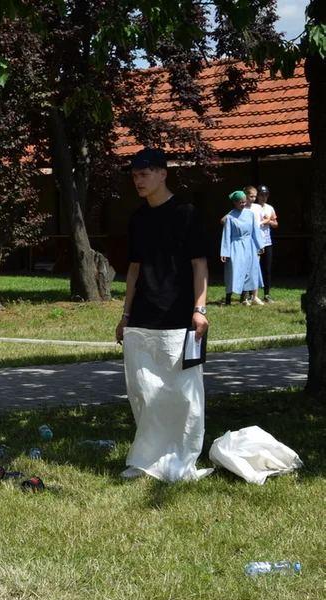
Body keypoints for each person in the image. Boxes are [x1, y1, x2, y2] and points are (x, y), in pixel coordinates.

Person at [116, 148, 211, 482]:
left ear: (162, 174)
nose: (138, 181)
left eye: (144, 174)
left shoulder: (186, 213)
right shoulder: (138, 219)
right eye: (134, 175)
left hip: (180, 320)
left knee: (183, 396)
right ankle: (146, 460)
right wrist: (125, 314)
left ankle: (182, 459)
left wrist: (199, 309)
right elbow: (133, 270)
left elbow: (199, 264)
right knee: (144, 393)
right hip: (141, 319)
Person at [221, 190, 265, 306]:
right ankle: (228, 299)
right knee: (234, 270)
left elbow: (255, 231)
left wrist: (260, 245)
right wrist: (225, 252)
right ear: (235, 203)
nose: (243, 204)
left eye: (244, 202)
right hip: (236, 246)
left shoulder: (249, 214)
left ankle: (243, 298)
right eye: (241, 202)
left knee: (249, 270)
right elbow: (227, 235)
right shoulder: (230, 217)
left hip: (249, 245)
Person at [257, 185, 278, 302]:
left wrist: (269, 221)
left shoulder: (270, 208)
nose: (264, 197)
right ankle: (252, 294)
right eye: (262, 195)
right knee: (254, 268)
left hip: (267, 241)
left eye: (266, 195)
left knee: (267, 269)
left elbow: (276, 224)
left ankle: (266, 294)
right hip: (255, 242)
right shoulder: (253, 208)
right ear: (258, 196)